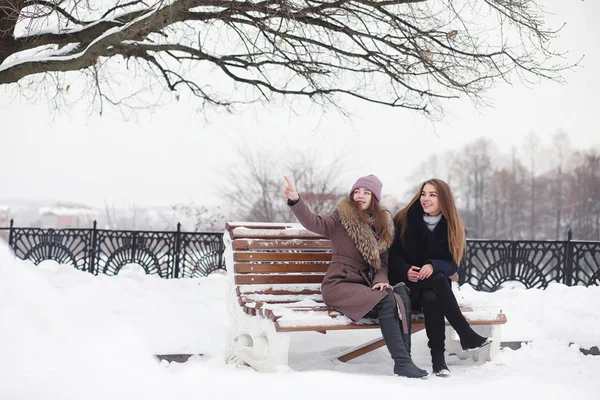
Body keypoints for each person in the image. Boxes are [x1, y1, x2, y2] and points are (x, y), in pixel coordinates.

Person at [283, 175, 428, 378]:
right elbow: (314, 222)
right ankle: (402, 363)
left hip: (365, 288)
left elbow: (382, 264)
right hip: (339, 285)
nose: (360, 196)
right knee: (387, 298)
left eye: (366, 193)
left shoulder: (382, 225)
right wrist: (295, 199)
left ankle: (405, 360)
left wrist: (380, 281)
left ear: (374, 199)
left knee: (400, 293)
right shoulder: (340, 218)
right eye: (357, 192)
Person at [388, 178, 492, 377]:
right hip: (407, 288)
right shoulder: (403, 219)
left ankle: (439, 361)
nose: (425, 199)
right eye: (424, 194)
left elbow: (452, 264)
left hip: (433, 291)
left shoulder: (451, 225)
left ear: (443, 199)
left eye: (432, 195)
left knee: (433, 296)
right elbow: (391, 255)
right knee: (438, 281)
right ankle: (465, 334)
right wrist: (406, 270)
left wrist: (433, 265)